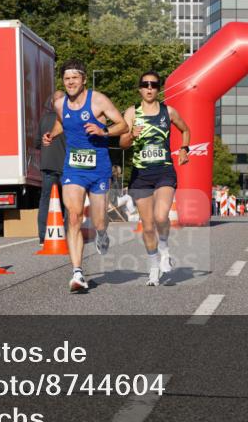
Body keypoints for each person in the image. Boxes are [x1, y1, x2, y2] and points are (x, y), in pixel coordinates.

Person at [42, 60, 128, 292]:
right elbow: (62, 123)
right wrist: (51, 134)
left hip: (99, 168)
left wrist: (104, 131)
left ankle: (102, 234)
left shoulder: (98, 100)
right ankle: (77, 273)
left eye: (75, 78)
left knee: (99, 220)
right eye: (67, 78)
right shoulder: (60, 104)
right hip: (74, 169)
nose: (70, 82)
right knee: (74, 216)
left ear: (83, 79)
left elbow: (122, 125)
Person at [119, 71, 190, 286]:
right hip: (140, 175)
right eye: (145, 84)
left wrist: (184, 149)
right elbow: (122, 143)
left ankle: (165, 251)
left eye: (154, 85)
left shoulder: (168, 112)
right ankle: (153, 267)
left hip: (164, 171)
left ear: (159, 89)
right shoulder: (132, 113)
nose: (149, 88)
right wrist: (131, 135)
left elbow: (185, 129)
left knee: (161, 217)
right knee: (148, 226)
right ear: (139, 88)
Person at [37, 90, 67, 246]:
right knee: (69, 201)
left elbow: (37, 143)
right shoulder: (68, 118)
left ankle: (43, 236)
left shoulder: (44, 120)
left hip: (48, 165)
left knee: (45, 200)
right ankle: (68, 234)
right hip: (66, 164)